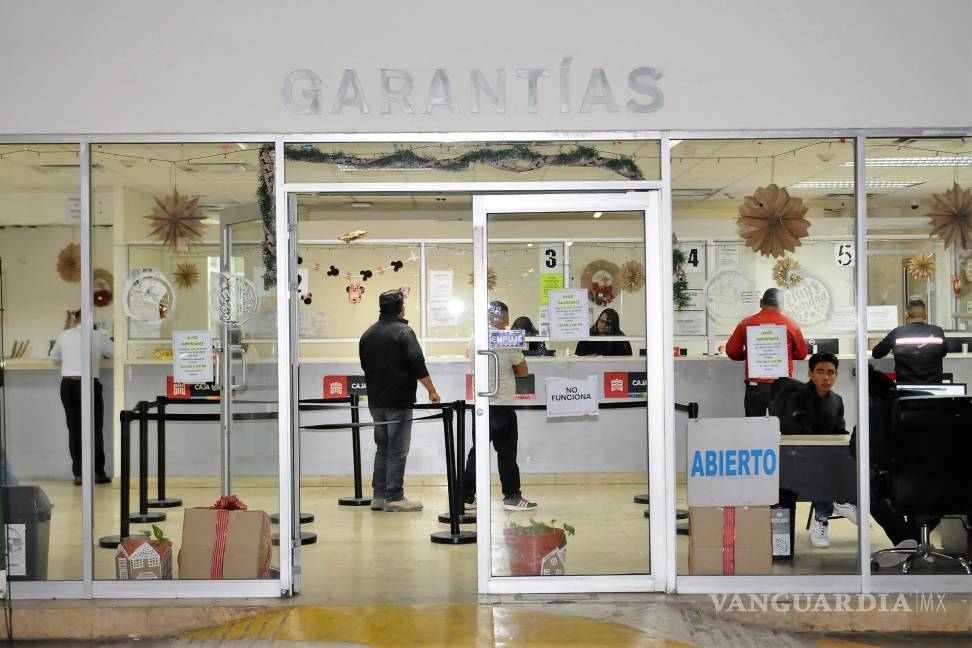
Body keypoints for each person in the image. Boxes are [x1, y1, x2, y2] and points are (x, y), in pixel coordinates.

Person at [359, 290, 440, 513]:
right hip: (399, 401)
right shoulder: (404, 332)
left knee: (382, 448)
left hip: (376, 402)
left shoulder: (368, 334)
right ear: (401, 308)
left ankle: (379, 496)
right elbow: (417, 364)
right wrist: (432, 391)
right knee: (397, 449)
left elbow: (365, 366)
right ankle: (394, 497)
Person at [771, 352, 857, 548]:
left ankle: (845, 500)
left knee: (852, 457)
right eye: (820, 372)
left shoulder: (837, 400)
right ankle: (824, 517)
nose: (826, 377)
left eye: (830, 372)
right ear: (810, 374)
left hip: (822, 455)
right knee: (823, 467)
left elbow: (839, 431)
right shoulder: (796, 397)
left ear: (836, 375)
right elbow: (792, 431)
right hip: (795, 455)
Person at [461, 301, 538, 511]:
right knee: (506, 453)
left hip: (481, 404)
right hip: (502, 405)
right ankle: (512, 497)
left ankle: (466, 497)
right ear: (503, 317)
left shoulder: (474, 337)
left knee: (477, 452)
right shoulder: (507, 339)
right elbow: (523, 371)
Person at [49, 309, 113, 485]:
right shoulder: (98, 336)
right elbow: (116, 352)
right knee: (95, 428)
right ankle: (97, 472)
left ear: (75, 320)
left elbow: (53, 357)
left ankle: (79, 474)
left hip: (68, 385)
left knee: (74, 428)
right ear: (91, 320)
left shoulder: (65, 335)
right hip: (89, 385)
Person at [726, 288, 808, 416]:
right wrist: (785, 353)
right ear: (781, 304)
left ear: (761, 302)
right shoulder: (792, 325)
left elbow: (732, 351)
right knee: (780, 425)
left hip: (755, 385)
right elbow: (802, 354)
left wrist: (750, 353)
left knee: (755, 425)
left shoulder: (746, 323)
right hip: (782, 385)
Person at [871, 299, 947, 384]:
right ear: (925, 315)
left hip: (906, 387)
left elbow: (876, 353)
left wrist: (895, 348)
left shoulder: (898, 332)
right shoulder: (937, 331)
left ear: (906, 315)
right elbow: (944, 353)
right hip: (935, 387)